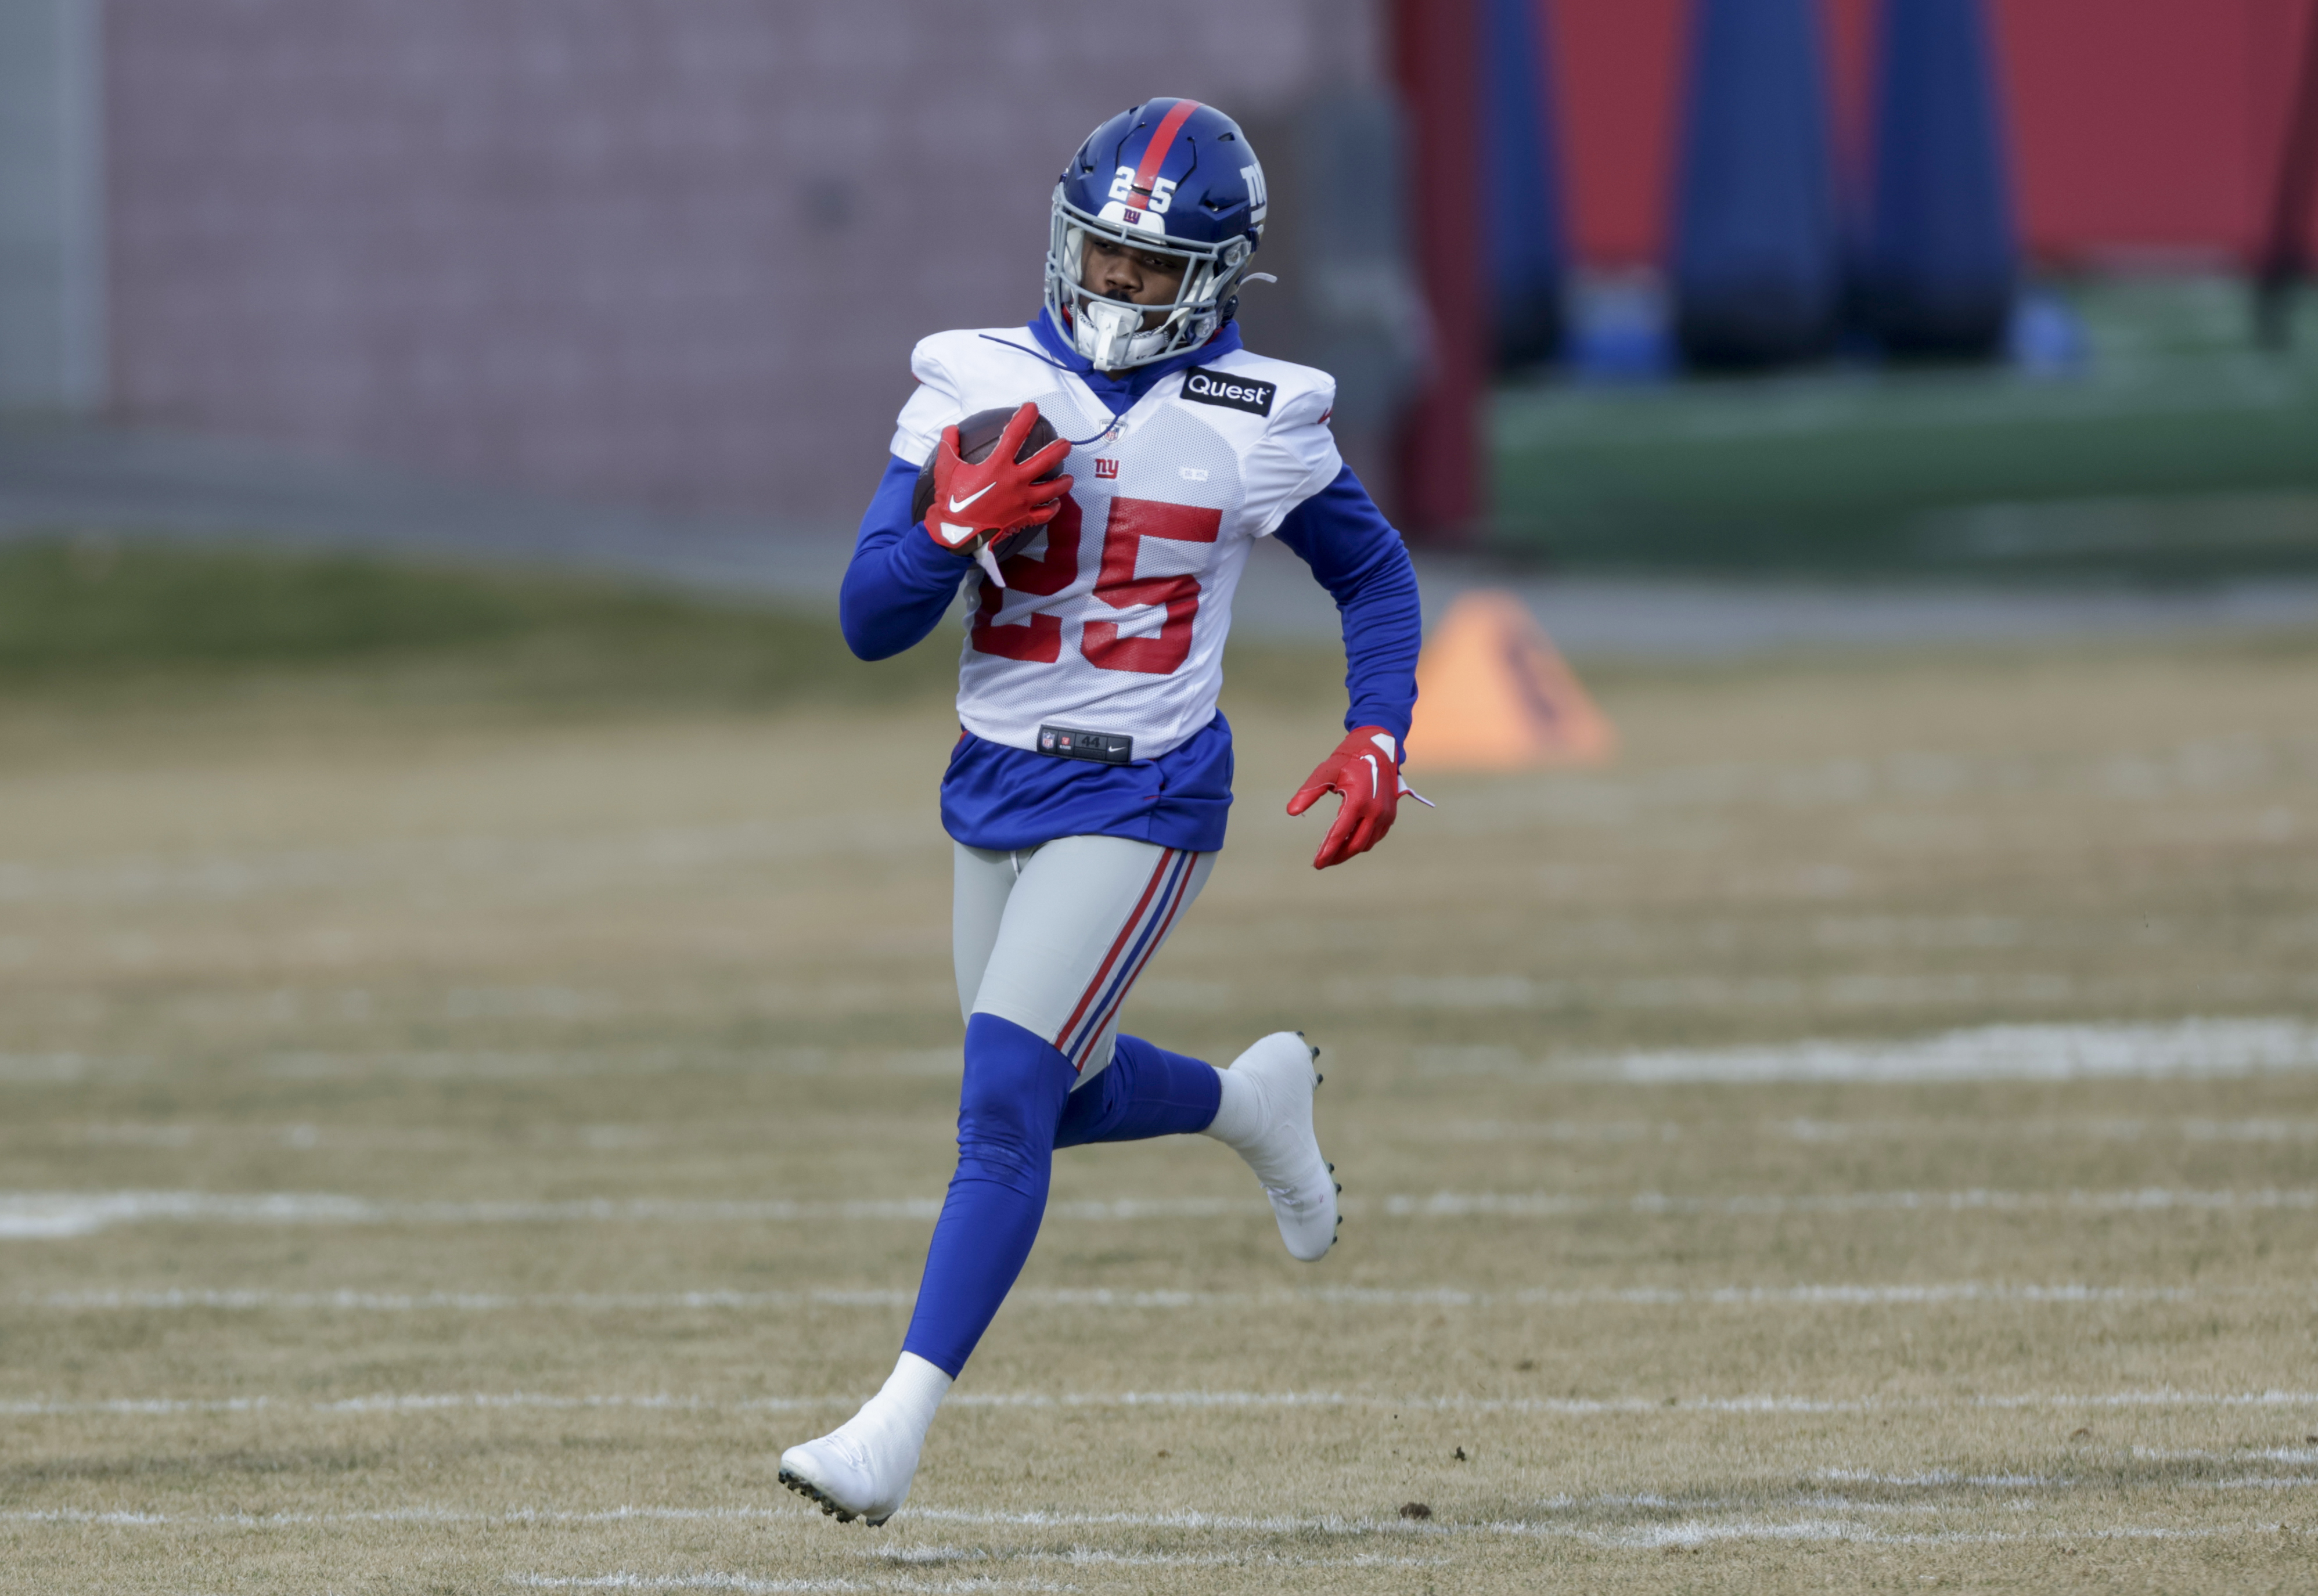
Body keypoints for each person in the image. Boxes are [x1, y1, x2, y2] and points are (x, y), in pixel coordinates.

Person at [779, 99, 1424, 1526]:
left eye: (1149, 267)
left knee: (1001, 1104)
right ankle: (1254, 1102)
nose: (1115, 286)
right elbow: (866, 621)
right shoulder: (973, 376)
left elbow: (1372, 575)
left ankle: (894, 1428)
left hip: (1144, 785)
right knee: (1058, 1094)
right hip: (996, 778)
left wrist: (1380, 724)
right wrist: (943, 534)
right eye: (1102, 255)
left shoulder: (1268, 413)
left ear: (1213, 274)